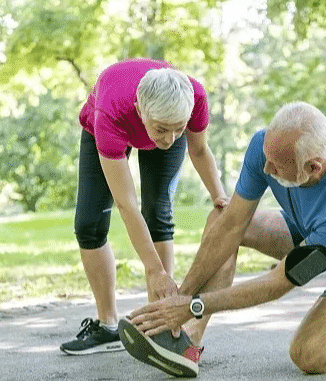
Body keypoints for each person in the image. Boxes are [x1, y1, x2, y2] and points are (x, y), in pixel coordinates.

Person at [119, 101, 326, 377]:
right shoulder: (266, 146)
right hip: (310, 230)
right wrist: (180, 299)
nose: (266, 169)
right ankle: (188, 338)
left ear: (313, 167)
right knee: (220, 218)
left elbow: (277, 283)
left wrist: (194, 304)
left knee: (309, 355)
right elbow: (231, 225)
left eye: (277, 165)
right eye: (267, 157)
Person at [59, 58, 228, 356]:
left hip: (161, 113)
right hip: (112, 118)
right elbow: (126, 204)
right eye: (162, 130)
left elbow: (199, 149)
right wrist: (155, 271)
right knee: (88, 224)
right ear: (140, 110)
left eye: (178, 129)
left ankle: (160, 325)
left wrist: (219, 197)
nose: (170, 139)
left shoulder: (195, 97)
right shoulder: (110, 112)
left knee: (157, 212)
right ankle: (107, 326)